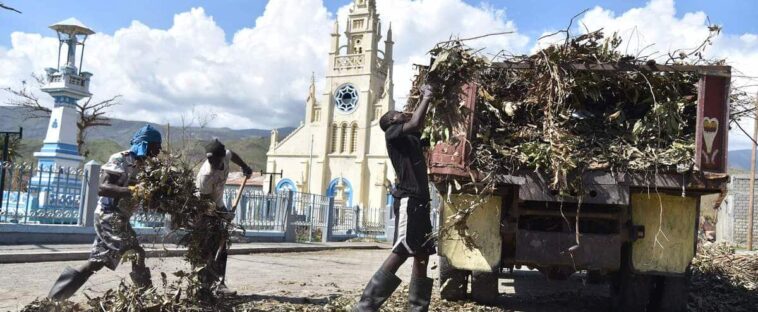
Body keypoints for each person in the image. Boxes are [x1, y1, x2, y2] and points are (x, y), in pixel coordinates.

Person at [48, 125, 163, 300]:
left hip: (121, 218)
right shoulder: (120, 159)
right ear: (145, 144)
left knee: (96, 262)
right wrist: (134, 191)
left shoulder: (147, 167)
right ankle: (149, 299)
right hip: (108, 215)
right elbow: (103, 188)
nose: (159, 150)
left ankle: (55, 299)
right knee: (136, 252)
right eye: (156, 146)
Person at [354, 85, 436, 312]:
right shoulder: (392, 134)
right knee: (402, 251)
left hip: (421, 202)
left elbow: (421, 130)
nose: (401, 113)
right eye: (397, 113)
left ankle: (417, 309)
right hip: (409, 201)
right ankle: (365, 307)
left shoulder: (410, 139)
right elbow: (416, 123)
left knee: (422, 255)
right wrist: (426, 97)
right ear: (391, 121)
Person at [195, 138, 253, 296]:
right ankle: (202, 285)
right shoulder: (205, 176)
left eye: (213, 159)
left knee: (221, 244)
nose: (210, 161)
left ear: (220, 157)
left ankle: (219, 284)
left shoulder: (225, 156)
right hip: (203, 210)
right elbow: (206, 204)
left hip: (218, 204)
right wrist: (224, 214)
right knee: (207, 247)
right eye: (209, 159)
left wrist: (244, 167)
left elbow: (232, 154)